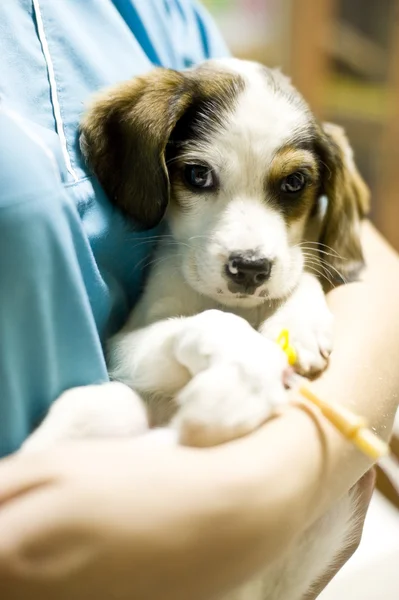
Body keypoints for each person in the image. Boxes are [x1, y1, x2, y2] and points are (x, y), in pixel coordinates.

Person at [0, 2, 398, 599]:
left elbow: (369, 270)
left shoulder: (163, 15)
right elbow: (132, 362)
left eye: (290, 186)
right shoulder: (170, 253)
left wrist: (294, 470)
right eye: (200, 178)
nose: (250, 250)